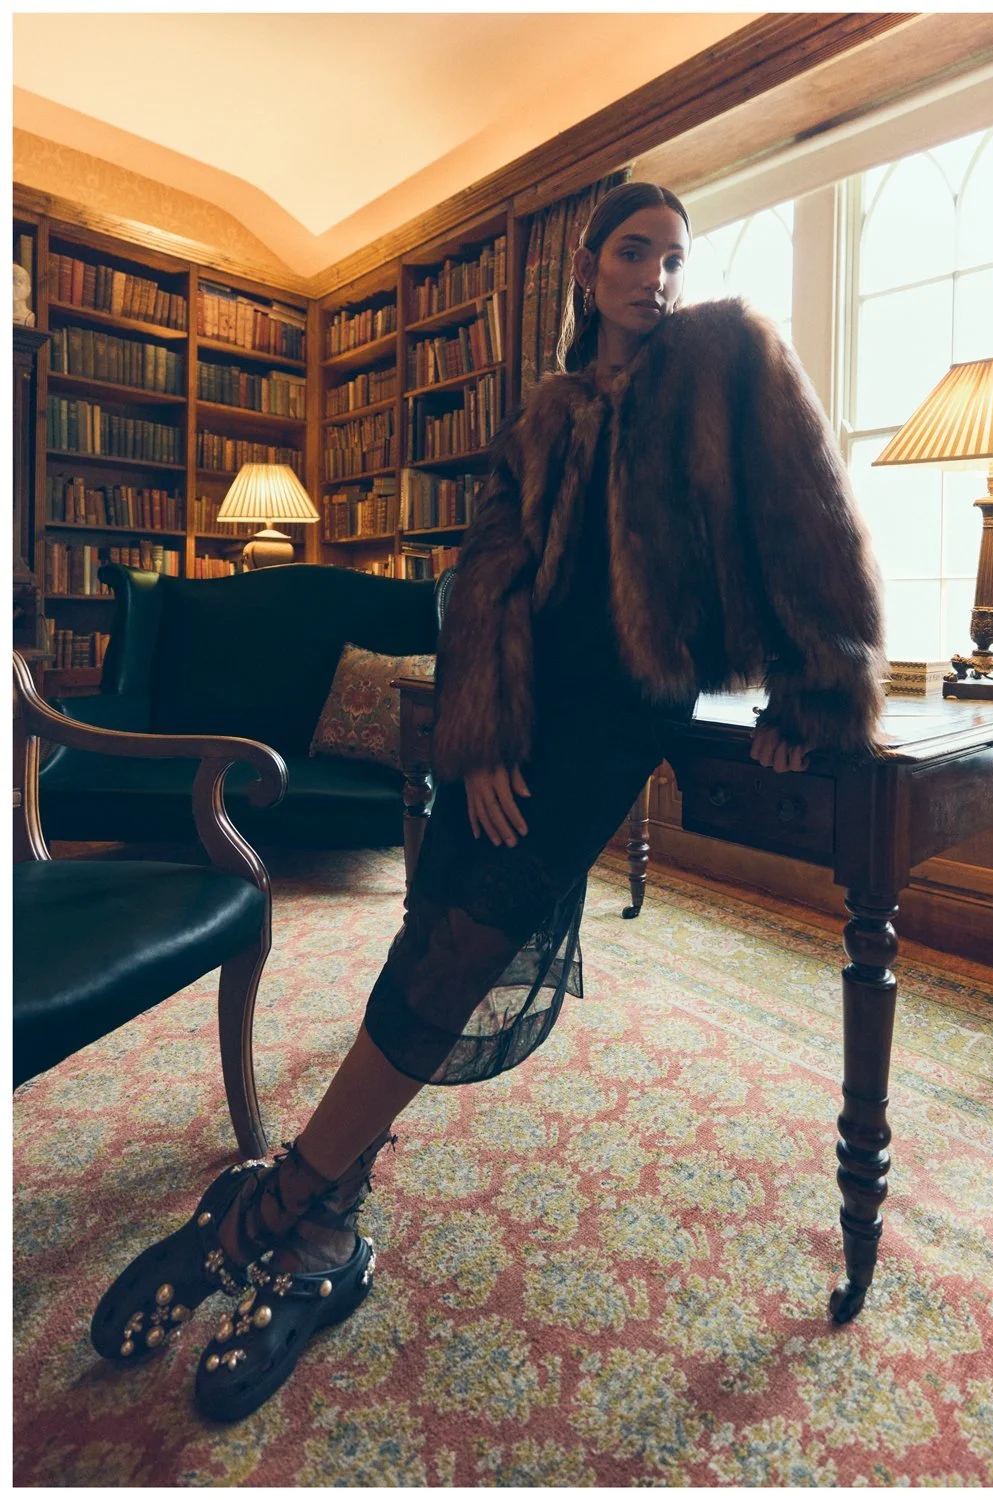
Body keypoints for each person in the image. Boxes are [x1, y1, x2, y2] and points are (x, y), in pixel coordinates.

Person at [89, 181, 886, 1422]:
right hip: (516, 720)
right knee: (426, 935)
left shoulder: (724, 358)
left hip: (623, 712)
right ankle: (319, 1239)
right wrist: (481, 730)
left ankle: (276, 1205)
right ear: (584, 269)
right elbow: (484, 582)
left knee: (460, 950)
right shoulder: (547, 413)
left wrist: (818, 696)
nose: (657, 279)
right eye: (633, 253)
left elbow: (809, 530)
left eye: (674, 258)